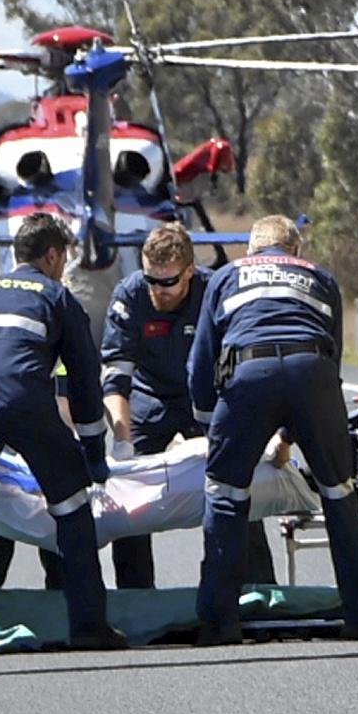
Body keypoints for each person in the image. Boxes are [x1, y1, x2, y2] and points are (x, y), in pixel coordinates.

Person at [0, 212, 127, 655]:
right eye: (64, 259)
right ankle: (89, 624)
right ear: (53, 256)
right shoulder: (55, 295)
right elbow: (83, 378)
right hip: (25, 404)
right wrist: (93, 454)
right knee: (72, 508)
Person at [188, 214, 358, 645]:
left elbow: (201, 363)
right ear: (296, 251)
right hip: (312, 369)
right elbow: (333, 359)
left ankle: (220, 623)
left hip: (247, 372)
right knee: (339, 492)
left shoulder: (226, 277)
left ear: (252, 250)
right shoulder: (320, 277)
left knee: (225, 496)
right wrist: (303, 429)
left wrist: (211, 427)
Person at [99, 222, 275, 589]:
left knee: (236, 487)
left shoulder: (216, 291)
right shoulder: (130, 296)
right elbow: (116, 376)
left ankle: (254, 589)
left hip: (208, 399)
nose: (158, 291)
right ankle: (137, 597)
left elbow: (241, 367)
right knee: (129, 497)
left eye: (168, 282)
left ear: (190, 272)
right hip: (149, 401)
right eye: (151, 279)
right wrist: (121, 438)